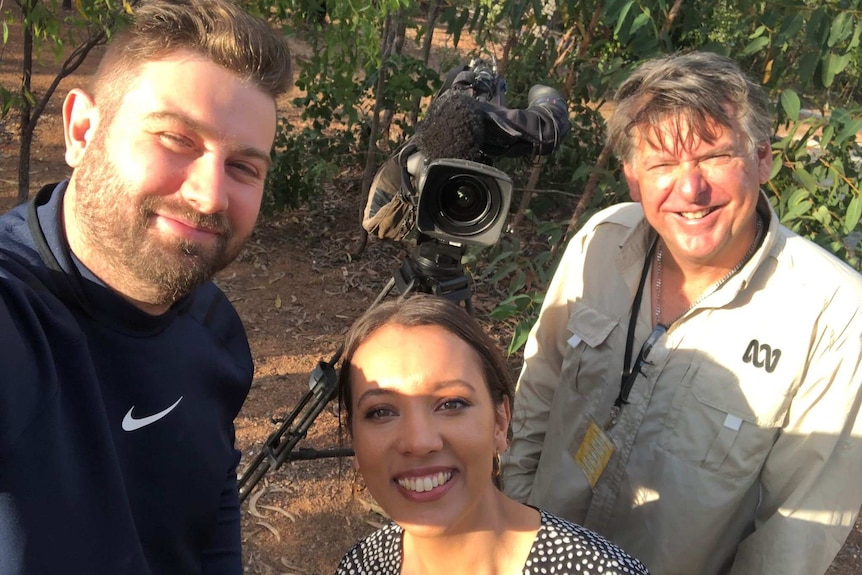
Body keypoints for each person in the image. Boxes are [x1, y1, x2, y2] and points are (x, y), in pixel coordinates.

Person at [502, 50, 862, 575]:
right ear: (632, 177)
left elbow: (792, 537)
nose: (690, 189)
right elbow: (540, 386)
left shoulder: (834, 315)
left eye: (714, 156)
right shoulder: (602, 244)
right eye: (663, 164)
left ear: (762, 157)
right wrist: (512, 517)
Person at [0, 1, 292, 573]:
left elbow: (208, 507)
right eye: (176, 139)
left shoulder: (215, 328)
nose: (210, 195)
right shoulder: (16, 314)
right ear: (83, 130)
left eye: (243, 167)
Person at [334, 294, 650, 575]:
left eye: (451, 404)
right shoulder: (363, 564)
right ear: (355, 443)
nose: (419, 442)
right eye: (381, 412)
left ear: (500, 422)